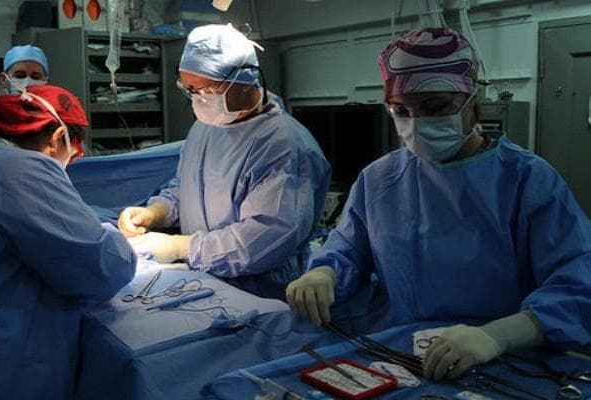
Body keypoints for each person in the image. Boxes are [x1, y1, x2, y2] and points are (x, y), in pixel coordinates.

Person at [286, 27, 591, 380]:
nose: (417, 123)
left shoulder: (526, 180)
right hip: (399, 349)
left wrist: (498, 336)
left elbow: (578, 285)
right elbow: (348, 250)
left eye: (435, 107)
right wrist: (324, 273)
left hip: (498, 360)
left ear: (473, 104)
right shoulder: (379, 180)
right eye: (401, 110)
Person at [0, 84, 137, 398]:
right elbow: (102, 269)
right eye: (74, 155)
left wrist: (98, 219)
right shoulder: (18, 169)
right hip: (3, 365)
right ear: (58, 139)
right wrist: (119, 241)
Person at [118, 24, 331, 299]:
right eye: (188, 89)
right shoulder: (205, 127)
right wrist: (154, 212)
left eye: (204, 90)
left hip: (262, 294)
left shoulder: (284, 146)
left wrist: (180, 247)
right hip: (205, 280)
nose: (196, 99)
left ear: (243, 80)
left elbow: (262, 240)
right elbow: (185, 188)